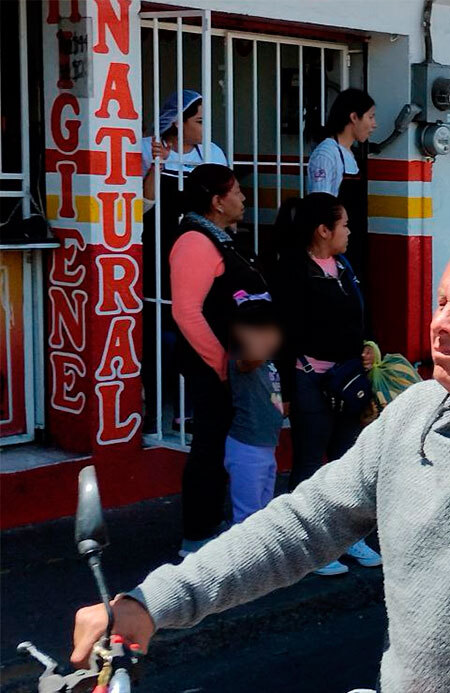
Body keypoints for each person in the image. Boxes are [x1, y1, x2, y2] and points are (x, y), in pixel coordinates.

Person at [72, 226, 450, 692]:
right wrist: (151, 603)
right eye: (442, 301)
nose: (442, 323)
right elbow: (302, 524)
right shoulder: (414, 411)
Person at [272, 192, 380, 576]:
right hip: (310, 381)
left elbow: (359, 321)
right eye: (344, 224)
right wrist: (287, 387)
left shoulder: (345, 267)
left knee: (348, 461)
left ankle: (349, 537)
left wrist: (367, 349)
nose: (349, 231)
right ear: (323, 230)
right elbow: (282, 333)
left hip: (348, 379)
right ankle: (307, 544)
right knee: (308, 463)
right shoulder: (292, 271)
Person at [169, 164, 263, 556]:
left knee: (221, 443)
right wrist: (221, 364)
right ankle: (197, 535)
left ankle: (213, 522)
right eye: (236, 192)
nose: (243, 198)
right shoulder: (194, 241)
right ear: (216, 201)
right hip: (212, 368)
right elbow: (186, 312)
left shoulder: (218, 237)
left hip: (229, 366)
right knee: (208, 446)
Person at [141, 90, 230, 434]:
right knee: (160, 331)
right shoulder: (148, 148)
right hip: (158, 249)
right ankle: (157, 405)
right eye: (198, 121)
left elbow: (223, 205)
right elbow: (144, 205)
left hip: (200, 252)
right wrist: (157, 164)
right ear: (177, 123)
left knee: (201, 324)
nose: (204, 128)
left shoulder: (212, 154)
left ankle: (190, 407)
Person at [223, 292, 285, 524]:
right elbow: (248, 360)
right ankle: (245, 559)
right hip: (248, 447)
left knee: (261, 515)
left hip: (266, 445)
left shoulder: (266, 360)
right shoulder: (244, 358)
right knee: (247, 518)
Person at [307, 88, 377, 275]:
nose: (374, 124)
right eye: (370, 117)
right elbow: (320, 209)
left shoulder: (350, 154)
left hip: (353, 242)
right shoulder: (327, 154)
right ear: (354, 117)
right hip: (336, 249)